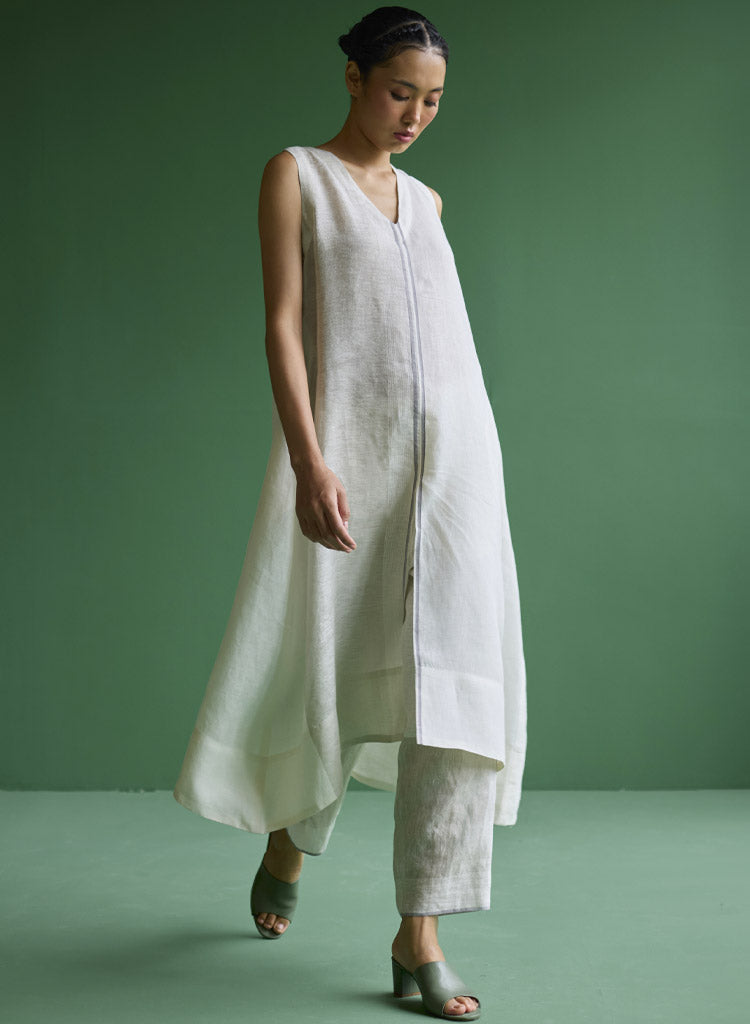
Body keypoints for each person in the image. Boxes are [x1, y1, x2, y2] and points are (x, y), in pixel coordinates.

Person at [173, 6, 528, 1019]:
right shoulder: (298, 176)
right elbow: (284, 325)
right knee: (338, 663)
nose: (415, 114)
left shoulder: (429, 201)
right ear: (354, 78)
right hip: (350, 462)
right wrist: (307, 458)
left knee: (455, 689)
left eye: (433, 100)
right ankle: (290, 837)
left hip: (458, 468)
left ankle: (422, 934)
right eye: (399, 91)